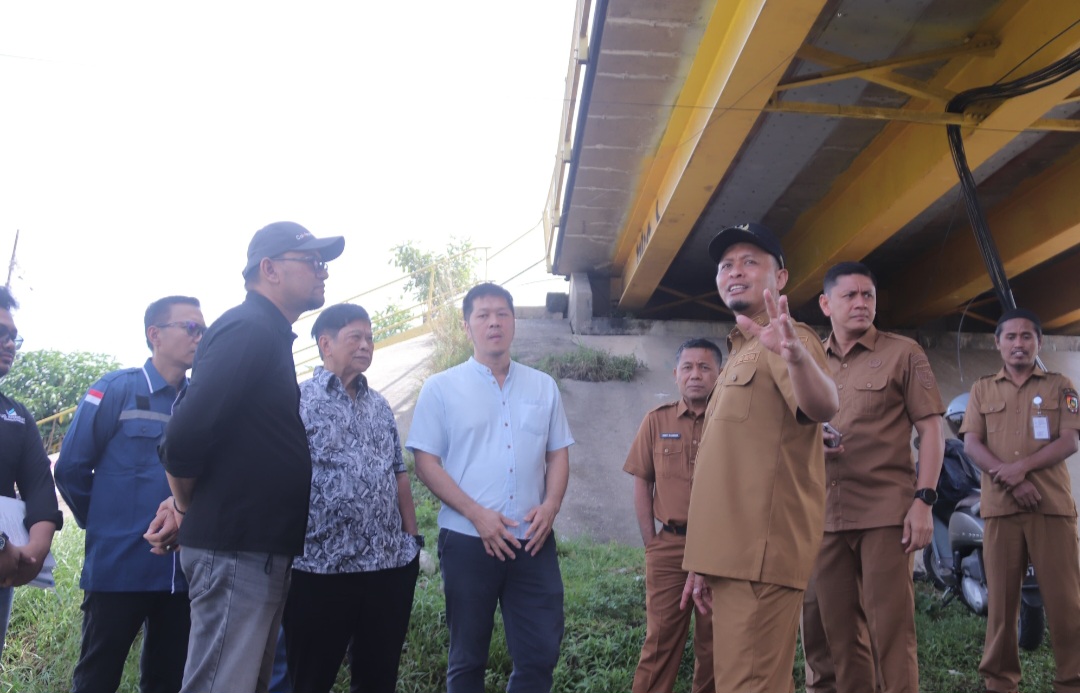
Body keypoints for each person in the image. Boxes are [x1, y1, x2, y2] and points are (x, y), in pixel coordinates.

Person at [158, 221, 344, 693]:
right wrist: (183, 507)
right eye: (312, 262)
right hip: (234, 550)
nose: (323, 272)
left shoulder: (269, 334)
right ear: (270, 269)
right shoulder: (248, 328)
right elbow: (181, 441)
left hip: (255, 549)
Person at [682, 222, 838, 693]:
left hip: (761, 559)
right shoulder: (738, 354)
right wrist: (701, 559)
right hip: (729, 559)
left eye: (751, 261)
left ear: (780, 279)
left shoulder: (790, 339)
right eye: (726, 265)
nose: (735, 272)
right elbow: (725, 468)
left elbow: (823, 405)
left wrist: (793, 354)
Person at [408, 282, 574, 693]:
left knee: (539, 653)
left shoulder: (543, 386)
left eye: (501, 313)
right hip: (469, 539)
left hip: (531, 541)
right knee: (468, 658)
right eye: (482, 315)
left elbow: (558, 454)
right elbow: (425, 462)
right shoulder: (441, 388)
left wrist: (551, 505)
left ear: (514, 322)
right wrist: (477, 514)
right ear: (468, 327)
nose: (493, 322)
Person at [800, 262, 944, 693]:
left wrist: (924, 500)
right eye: (850, 296)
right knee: (841, 636)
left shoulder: (904, 353)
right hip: (823, 515)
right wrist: (813, 439)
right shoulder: (807, 360)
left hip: (886, 514)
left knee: (891, 635)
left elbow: (932, 429)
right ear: (826, 304)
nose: (861, 304)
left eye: (868, 296)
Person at [55, 296, 205, 693]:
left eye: (203, 329)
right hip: (119, 569)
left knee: (168, 681)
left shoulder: (202, 402)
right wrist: (105, 522)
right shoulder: (116, 390)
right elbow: (70, 468)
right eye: (190, 327)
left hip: (182, 576)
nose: (199, 337)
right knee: (97, 678)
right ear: (155, 334)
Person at [283, 303, 421, 693]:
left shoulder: (379, 405)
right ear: (325, 343)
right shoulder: (296, 399)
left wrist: (412, 543)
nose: (366, 345)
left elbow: (398, 471)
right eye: (355, 337)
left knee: (378, 678)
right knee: (311, 679)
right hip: (319, 569)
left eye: (370, 338)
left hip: (388, 566)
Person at [960, 308, 1080, 693]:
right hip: (1001, 511)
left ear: (1039, 343)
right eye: (1010, 337)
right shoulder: (982, 389)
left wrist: (1020, 469)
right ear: (997, 343)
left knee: (1066, 602)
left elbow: (1070, 440)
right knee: (1002, 605)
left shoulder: (1062, 385)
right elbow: (971, 444)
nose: (1018, 344)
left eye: (1026, 336)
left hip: (1051, 508)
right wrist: (1012, 482)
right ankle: (999, 682)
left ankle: (1072, 681)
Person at [624, 338, 721, 693]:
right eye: (688, 367)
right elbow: (642, 482)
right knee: (660, 644)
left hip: (720, 551)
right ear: (675, 375)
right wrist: (652, 544)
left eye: (705, 367)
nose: (696, 374)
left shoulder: (732, 420)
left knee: (714, 648)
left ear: (720, 374)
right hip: (669, 548)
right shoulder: (656, 420)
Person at [0, 286, 62, 653]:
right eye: (1, 333)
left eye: (13, 336)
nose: (9, 344)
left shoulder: (16, 415)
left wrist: (34, 552)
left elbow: (40, 486)